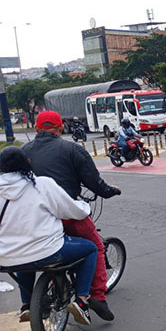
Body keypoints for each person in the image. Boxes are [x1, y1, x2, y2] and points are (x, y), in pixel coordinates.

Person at [22, 111, 121, 321]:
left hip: (35, 217)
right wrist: (111, 191)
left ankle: (27, 304)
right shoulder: (72, 149)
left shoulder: (23, 151)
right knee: (95, 246)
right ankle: (94, 298)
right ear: (59, 129)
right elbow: (94, 182)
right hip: (68, 213)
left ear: (37, 129)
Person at [0, 147, 97, 325]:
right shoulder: (42, 184)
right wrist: (84, 207)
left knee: (23, 260)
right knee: (90, 248)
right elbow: (71, 210)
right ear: (27, 163)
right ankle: (82, 301)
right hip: (48, 250)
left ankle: (26, 305)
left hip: (6, 257)